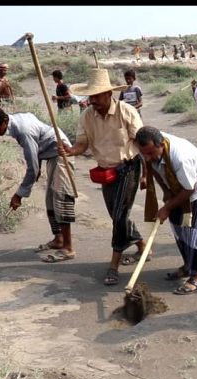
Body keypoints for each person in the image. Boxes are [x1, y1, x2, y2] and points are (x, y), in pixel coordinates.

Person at [58, 68, 148, 286]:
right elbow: (82, 144)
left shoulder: (126, 112)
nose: (93, 100)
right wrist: (70, 151)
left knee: (118, 216)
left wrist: (146, 174)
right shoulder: (87, 116)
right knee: (118, 215)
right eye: (91, 96)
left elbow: (142, 144)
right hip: (105, 172)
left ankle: (113, 265)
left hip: (129, 168)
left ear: (109, 94)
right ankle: (143, 246)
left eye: (97, 96)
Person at [0, 106, 76, 263]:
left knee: (61, 198)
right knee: (50, 200)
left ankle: (68, 247)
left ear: (5, 121)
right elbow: (35, 152)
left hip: (62, 152)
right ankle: (58, 239)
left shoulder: (23, 131)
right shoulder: (15, 120)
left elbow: (32, 168)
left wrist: (19, 194)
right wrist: (35, 167)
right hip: (50, 154)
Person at [137, 126, 197, 295]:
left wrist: (167, 207)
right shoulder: (146, 149)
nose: (147, 157)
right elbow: (154, 168)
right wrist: (166, 192)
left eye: (151, 153)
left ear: (161, 145)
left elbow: (189, 189)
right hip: (176, 185)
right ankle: (188, 265)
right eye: (145, 154)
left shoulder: (180, 157)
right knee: (178, 227)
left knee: (195, 230)